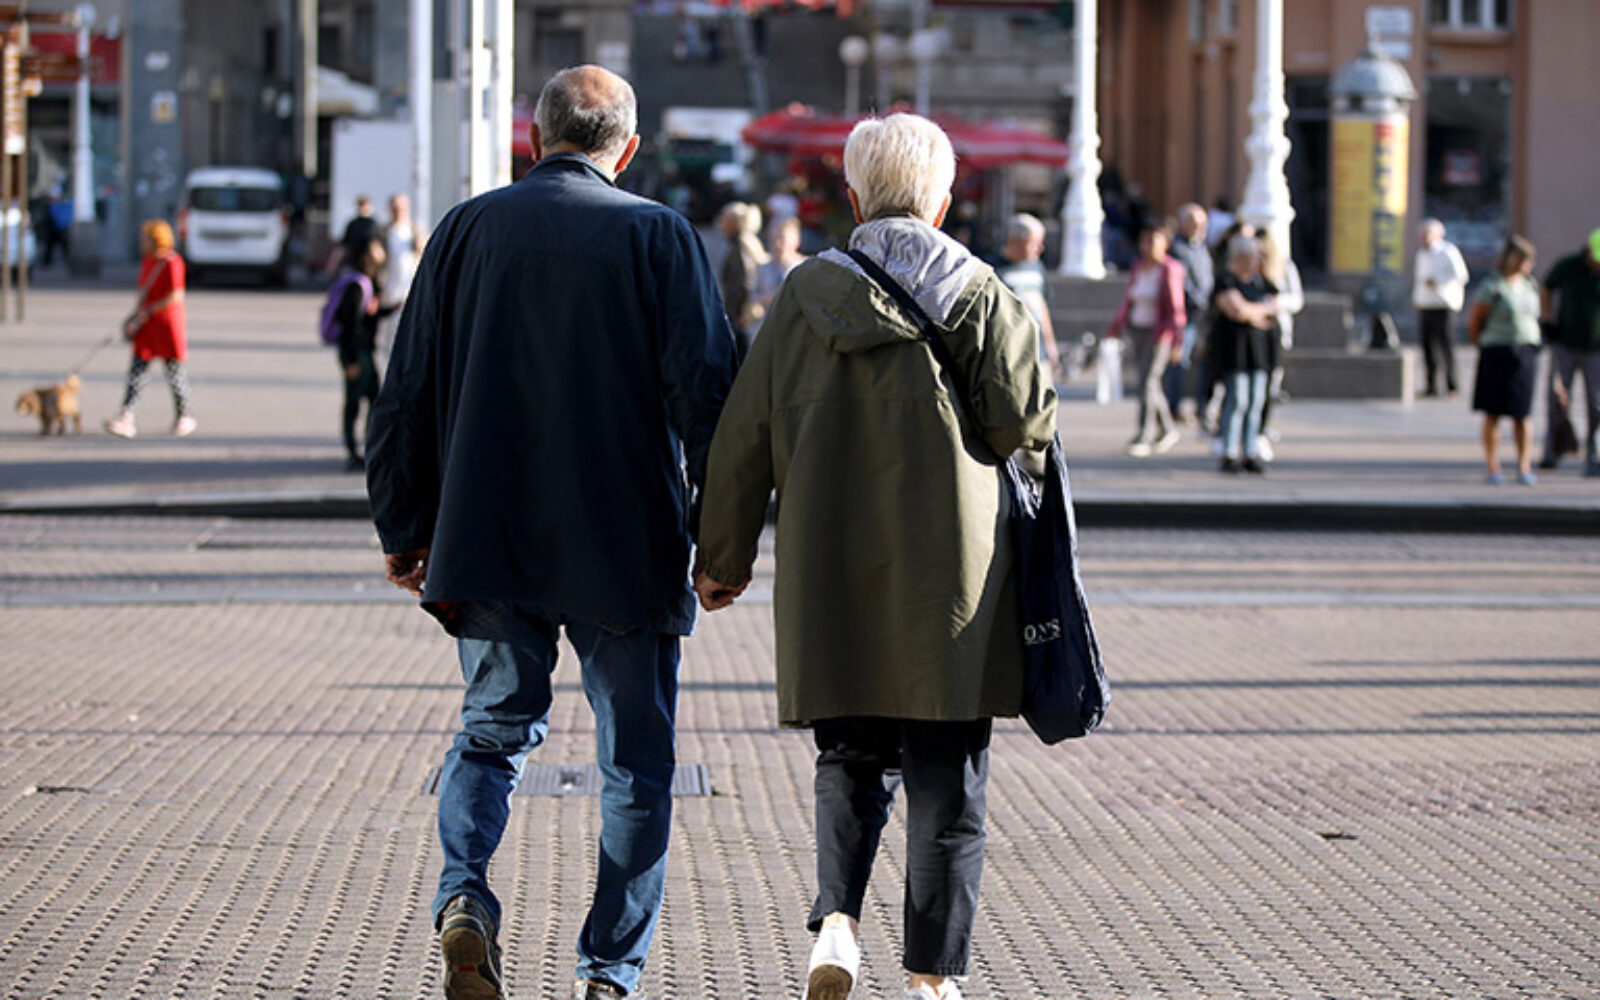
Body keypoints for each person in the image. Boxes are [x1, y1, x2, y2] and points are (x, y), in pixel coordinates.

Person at [365, 65, 736, 1000]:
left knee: (490, 736)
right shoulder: (659, 235)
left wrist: (404, 523)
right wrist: (721, 541)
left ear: (534, 138)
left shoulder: (465, 230)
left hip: (486, 531)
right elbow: (707, 399)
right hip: (626, 541)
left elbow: (405, 389)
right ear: (629, 149)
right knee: (636, 767)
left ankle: (465, 896)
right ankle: (609, 973)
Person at [693, 112, 1057, 1000]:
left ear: (854, 200)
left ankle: (839, 926)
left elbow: (743, 434)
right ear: (942, 202)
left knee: (849, 758)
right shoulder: (980, 292)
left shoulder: (802, 296)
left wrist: (722, 558)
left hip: (832, 569)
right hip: (953, 578)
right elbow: (1025, 422)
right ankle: (932, 978)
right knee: (947, 779)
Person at [105, 220, 196, 439]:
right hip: (147, 324)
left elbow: (176, 295)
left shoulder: (172, 262)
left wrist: (150, 309)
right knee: (137, 371)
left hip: (166, 324)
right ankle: (127, 415)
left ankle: (183, 415)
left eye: (145, 239)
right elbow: (143, 291)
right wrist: (134, 315)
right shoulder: (148, 261)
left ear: (157, 240)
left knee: (174, 372)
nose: (142, 243)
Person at [1468, 235, 1543, 485]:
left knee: (1522, 412)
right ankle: (1493, 466)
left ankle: (1524, 466)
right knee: (1493, 412)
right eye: (1525, 260)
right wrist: (1482, 343)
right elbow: (1475, 322)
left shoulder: (1529, 285)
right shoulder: (1493, 287)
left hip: (1525, 352)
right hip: (1497, 351)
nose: (1530, 264)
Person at [1107, 224, 1186, 456]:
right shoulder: (1138, 267)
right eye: (1145, 241)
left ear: (1165, 244)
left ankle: (1144, 433)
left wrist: (1177, 341)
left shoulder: (1170, 269)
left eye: (1153, 241)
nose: (1148, 246)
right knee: (1149, 382)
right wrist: (1117, 325)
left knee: (1148, 381)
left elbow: (1176, 309)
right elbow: (1129, 300)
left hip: (1159, 333)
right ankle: (1167, 428)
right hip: (1137, 329)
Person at [1210, 234, 1277, 474]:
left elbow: (1274, 309)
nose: (1255, 261)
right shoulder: (1226, 280)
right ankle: (1228, 451)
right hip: (1234, 350)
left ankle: (1250, 450)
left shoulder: (1261, 282)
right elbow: (1236, 310)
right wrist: (1258, 312)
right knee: (1237, 399)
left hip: (1259, 351)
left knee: (1256, 401)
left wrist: (1251, 312)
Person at [1538, 227, 1600, 476]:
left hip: (1596, 348)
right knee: (1557, 399)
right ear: (1589, 251)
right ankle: (1552, 451)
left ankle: (1594, 453)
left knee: (1597, 402)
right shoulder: (1569, 266)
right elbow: (1546, 288)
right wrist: (1547, 320)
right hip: (1564, 343)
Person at [332, 236, 393, 471]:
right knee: (354, 403)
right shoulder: (356, 286)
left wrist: (392, 308)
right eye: (376, 248)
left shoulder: (370, 282)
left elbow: (370, 316)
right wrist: (351, 361)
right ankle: (352, 451)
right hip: (356, 353)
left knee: (375, 400)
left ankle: (371, 448)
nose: (381, 252)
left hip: (364, 351)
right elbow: (350, 325)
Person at [990, 213, 1064, 380]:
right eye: (1034, 243)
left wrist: (1050, 344)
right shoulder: (992, 269)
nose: (1040, 249)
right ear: (1016, 241)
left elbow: (1042, 307)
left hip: (1038, 352)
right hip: (1007, 355)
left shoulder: (1037, 267)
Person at [1256, 229, 1303, 462]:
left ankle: (1260, 429)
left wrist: (1277, 303)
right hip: (1251, 333)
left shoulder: (1285, 266)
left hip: (1276, 332)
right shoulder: (1248, 267)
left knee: (1269, 384)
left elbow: (1296, 299)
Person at [1164, 203, 1213, 421]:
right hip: (1186, 314)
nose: (1199, 227)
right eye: (1194, 222)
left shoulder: (1201, 248)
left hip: (1203, 314)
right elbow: (1182, 283)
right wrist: (1199, 301)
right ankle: (1173, 406)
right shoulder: (1177, 249)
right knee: (1179, 361)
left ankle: (1200, 405)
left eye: (1202, 223)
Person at [1412, 219, 1471, 398]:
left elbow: (1461, 275)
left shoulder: (1448, 251)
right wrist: (1417, 298)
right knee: (1428, 347)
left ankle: (1452, 385)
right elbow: (1419, 279)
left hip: (1444, 305)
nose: (1424, 238)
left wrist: (1438, 281)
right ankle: (1431, 385)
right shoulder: (1422, 254)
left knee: (1447, 346)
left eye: (1428, 234)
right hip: (1426, 305)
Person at [379, 192, 427, 372]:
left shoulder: (414, 231)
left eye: (402, 208)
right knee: (389, 340)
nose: (399, 212)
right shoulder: (384, 232)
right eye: (395, 208)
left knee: (411, 338)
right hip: (390, 293)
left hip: (410, 293)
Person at [717, 200, 769, 358]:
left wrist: (736, 312)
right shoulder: (746, 240)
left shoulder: (741, 244)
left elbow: (744, 280)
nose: (721, 224)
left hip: (743, 314)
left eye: (724, 219)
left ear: (734, 222)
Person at [749, 215, 806, 338]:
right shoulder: (762, 267)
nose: (777, 244)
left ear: (796, 240)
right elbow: (753, 294)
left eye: (782, 239)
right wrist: (763, 299)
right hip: (769, 326)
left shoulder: (805, 267)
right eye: (773, 239)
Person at [331, 194, 380, 273]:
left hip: (369, 264)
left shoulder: (372, 224)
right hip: (354, 262)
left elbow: (376, 244)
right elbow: (344, 244)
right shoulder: (353, 224)